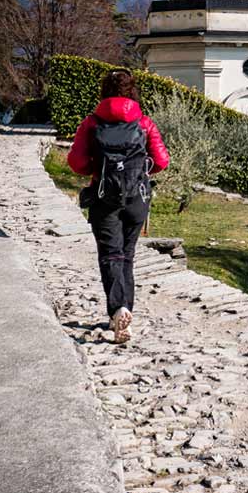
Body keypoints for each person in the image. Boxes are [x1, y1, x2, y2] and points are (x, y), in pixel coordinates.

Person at [67, 70, 169, 343]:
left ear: (104, 93)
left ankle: (118, 310)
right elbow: (161, 161)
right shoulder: (144, 123)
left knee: (110, 255)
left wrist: (100, 169)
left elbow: (76, 163)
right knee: (127, 254)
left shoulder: (91, 123)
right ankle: (125, 312)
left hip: (104, 197)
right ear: (133, 92)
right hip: (137, 198)